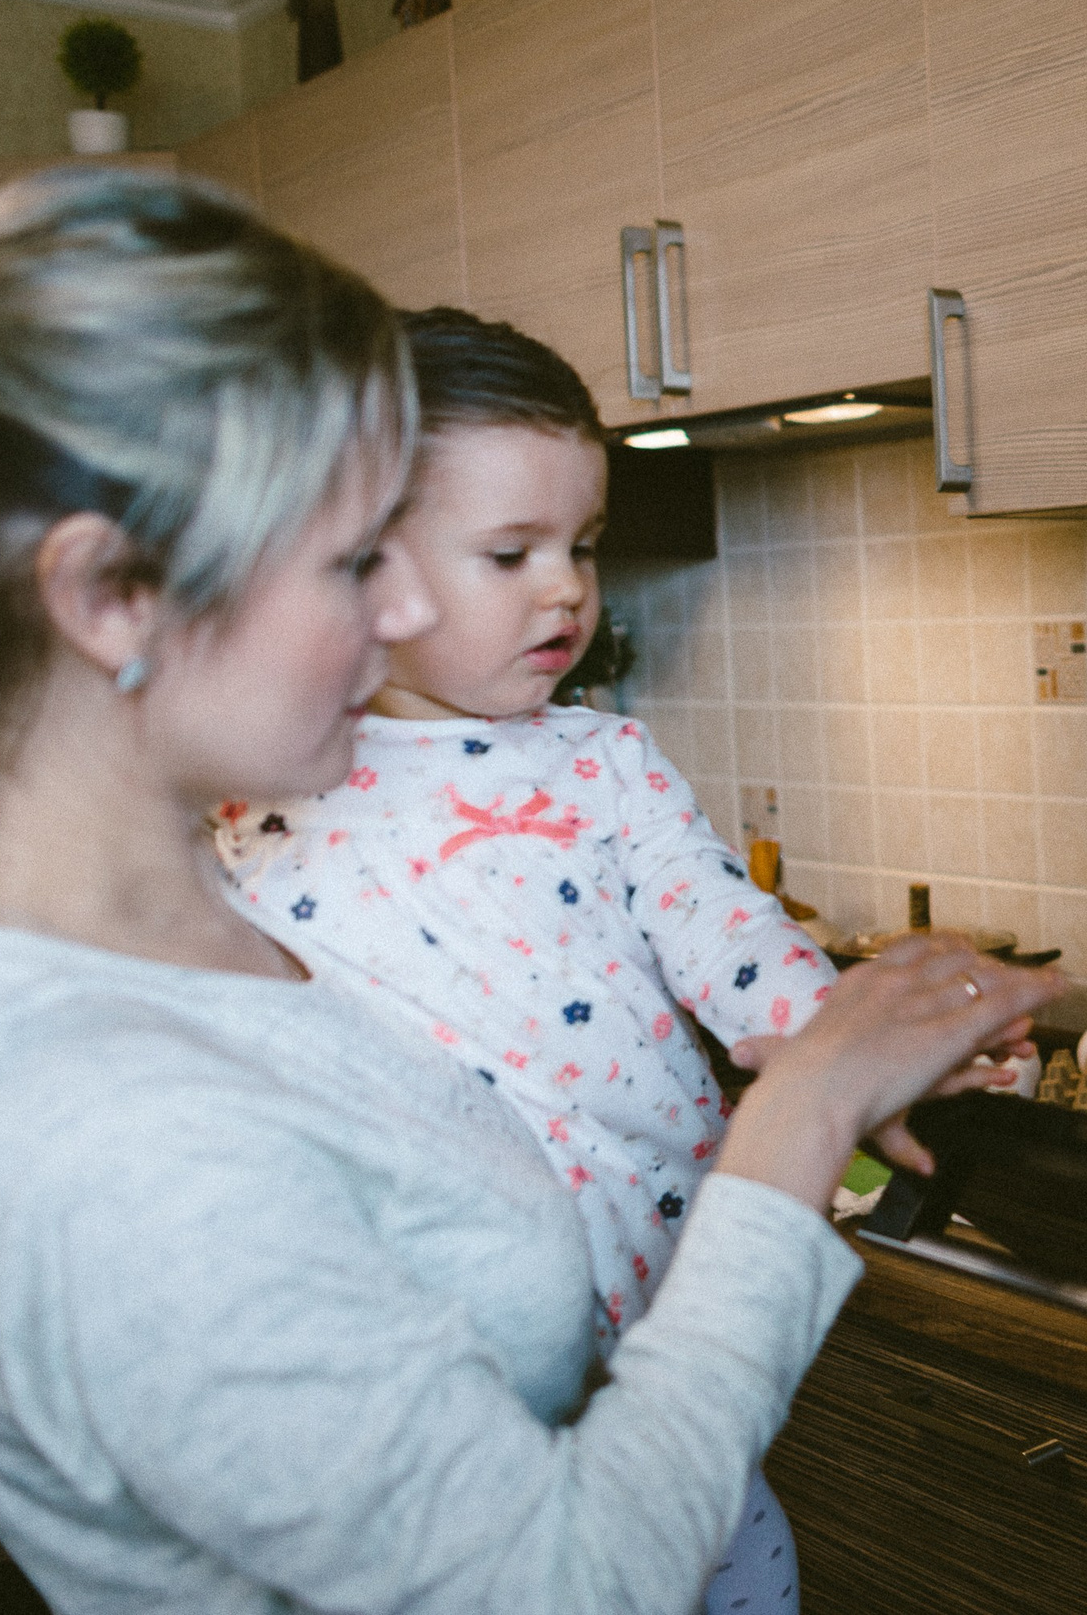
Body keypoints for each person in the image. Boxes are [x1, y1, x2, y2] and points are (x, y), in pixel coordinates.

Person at [0, 168, 1056, 1614]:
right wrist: (803, 1106)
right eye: (355, 556)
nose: (411, 615)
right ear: (112, 593)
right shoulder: (83, 1126)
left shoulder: (182, 943)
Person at [213, 307, 828, 1611]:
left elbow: (724, 923)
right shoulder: (266, 792)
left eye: (583, 546)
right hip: (451, 1359)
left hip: (670, 1334)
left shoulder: (605, 763)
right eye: (512, 551)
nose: (565, 587)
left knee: (729, 1562)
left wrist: (819, 1032)